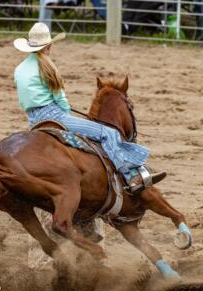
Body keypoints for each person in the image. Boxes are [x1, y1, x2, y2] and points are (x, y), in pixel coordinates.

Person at [13, 22, 166, 194]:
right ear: (49, 45)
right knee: (109, 133)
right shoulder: (47, 66)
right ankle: (130, 175)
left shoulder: (19, 69)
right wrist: (66, 114)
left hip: (33, 119)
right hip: (55, 115)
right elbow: (60, 99)